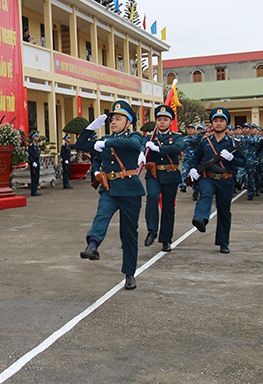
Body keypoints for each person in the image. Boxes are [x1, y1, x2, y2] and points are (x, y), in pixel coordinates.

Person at [76, 100, 145, 290]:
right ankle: (92, 245)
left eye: (118, 118)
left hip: (130, 191)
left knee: (128, 233)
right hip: (110, 188)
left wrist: (104, 142)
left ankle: (130, 273)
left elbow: (132, 144)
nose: (113, 122)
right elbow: (80, 144)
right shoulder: (104, 139)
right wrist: (90, 128)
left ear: (128, 122)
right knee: (102, 215)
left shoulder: (135, 136)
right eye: (112, 119)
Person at [188, 107, 246, 253]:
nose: (218, 123)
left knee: (224, 211)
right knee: (205, 194)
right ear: (212, 123)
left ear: (226, 123)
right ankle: (200, 219)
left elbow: (244, 162)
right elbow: (195, 158)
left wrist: (232, 158)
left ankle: (223, 242)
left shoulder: (233, 142)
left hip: (226, 180)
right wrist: (193, 169)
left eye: (221, 121)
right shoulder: (205, 142)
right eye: (215, 120)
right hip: (208, 177)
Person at [143, 105, 184, 252]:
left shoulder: (176, 137)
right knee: (152, 196)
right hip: (153, 174)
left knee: (168, 207)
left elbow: (178, 148)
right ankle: (152, 230)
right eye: (159, 119)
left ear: (170, 121)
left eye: (165, 119)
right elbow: (142, 148)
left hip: (170, 175)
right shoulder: (149, 138)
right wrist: (142, 153)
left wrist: (158, 149)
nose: (162, 122)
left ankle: (166, 239)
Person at [28, 132, 41, 196]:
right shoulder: (31, 146)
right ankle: (33, 191)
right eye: (36, 137)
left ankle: (35, 190)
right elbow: (29, 155)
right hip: (34, 163)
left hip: (37, 162)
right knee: (34, 178)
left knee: (37, 177)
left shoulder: (36, 146)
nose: (37, 138)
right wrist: (32, 162)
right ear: (33, 138)